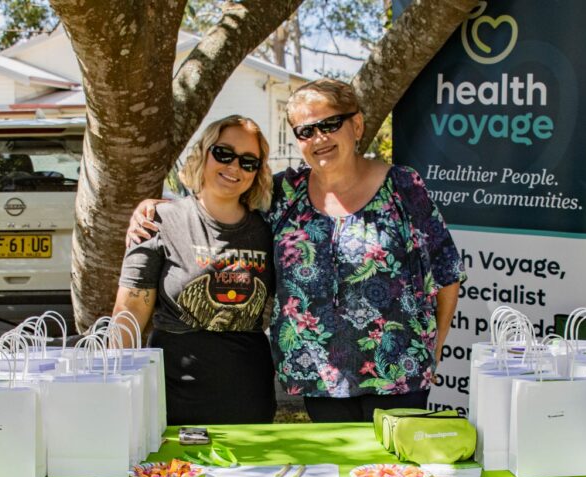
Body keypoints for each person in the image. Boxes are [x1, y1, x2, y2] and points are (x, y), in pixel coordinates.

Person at [130, 79, 463, 423]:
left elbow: (446, 272)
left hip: (400, 371)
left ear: (357, 125)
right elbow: (221, 204)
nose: (319, 138)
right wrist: (158, 208)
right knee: (336, 459)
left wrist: (435, 345)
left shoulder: (403, 186)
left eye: (330, 124)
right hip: (321, 378)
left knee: (396, 459)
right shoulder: (284, 192)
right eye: (306, 131)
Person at [114, 115, 276, 424]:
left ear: (258, 171)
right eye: (224, 153)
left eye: (248, 162)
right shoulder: (158, 221)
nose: (234, 167)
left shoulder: (270, 228)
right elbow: (129, 313)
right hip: (172, 388)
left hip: (248, 389)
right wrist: (116, 385)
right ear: (204, 152)